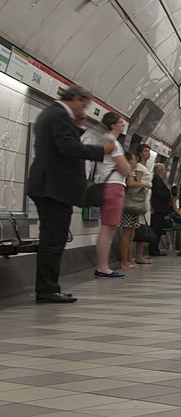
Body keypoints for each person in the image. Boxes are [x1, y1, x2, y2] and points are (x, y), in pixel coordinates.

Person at [27, 85, 115, 303]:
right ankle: (47, 290)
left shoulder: (54, 114)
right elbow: (67, 148)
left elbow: (64, 144)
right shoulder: (58, 114)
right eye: (83, 105)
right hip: (53, 187)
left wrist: (77, 125)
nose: (83, 110)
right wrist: (100, 151)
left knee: (53, 238)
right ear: (75, 98)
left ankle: (49, 287)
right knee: (53, 239)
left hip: (52, 186)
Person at [93, 112, 131, 278]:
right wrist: (126, 167)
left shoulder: (103, 140)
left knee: (107, 227)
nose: (123, 125)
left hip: (105, 185)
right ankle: (102, 267)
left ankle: (102, 265)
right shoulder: (113, 143)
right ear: (113, 125)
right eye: (121, 123)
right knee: (108, 228)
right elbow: (126, 169)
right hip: (114, 186)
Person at [118, 152, 145, 269]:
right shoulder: (128, 172)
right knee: (127, 233)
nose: (136, 162)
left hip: (133, 206)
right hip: (128, 206)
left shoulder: (131, 172)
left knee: (131, 233)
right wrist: (143, 184)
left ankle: (129, 258)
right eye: (134, 160)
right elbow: (130, 183)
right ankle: (124, 260)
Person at [131, 144, 154, 265]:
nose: (148, 154)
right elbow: (138, 183)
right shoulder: (139, 167)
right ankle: (137, 255)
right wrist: (147, 186)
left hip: (147, 200)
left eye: (149, 151)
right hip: (141, 199)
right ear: (140, 153)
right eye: (145, 151)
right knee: (139, 227)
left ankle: (140, 255)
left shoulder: (146, 167)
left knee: (143, 227)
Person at [149, 162, 177, 256]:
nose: (164, 172)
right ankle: (153, 250)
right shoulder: (156, 179)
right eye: (163, 170)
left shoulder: (158, 179)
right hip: (158, 208)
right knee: (156, 229)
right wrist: (167, 197)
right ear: (159, 170)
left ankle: (155, 249)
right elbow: (158, 192)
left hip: (159, 208)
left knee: (158, 229)